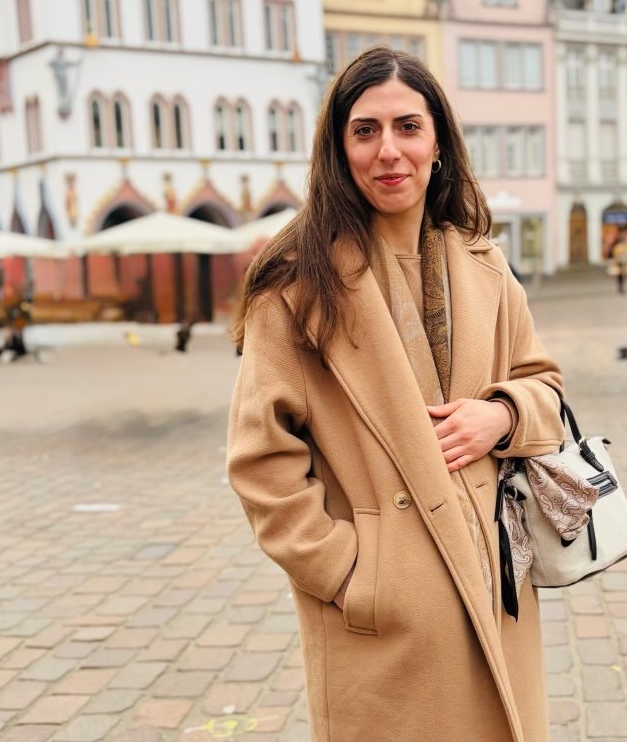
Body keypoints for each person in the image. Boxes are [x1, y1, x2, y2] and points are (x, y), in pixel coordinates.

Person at [227, 47, 564, 741]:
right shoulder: (296, 284)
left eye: (408, 127)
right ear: (339, 149)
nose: (389, 150)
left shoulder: (485, 265)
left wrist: (501, 415)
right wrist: (356, 574)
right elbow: (261, 462)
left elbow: (545, 386)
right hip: (387, 624)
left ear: (438, 142)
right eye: (365, 130)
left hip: (496, 586)